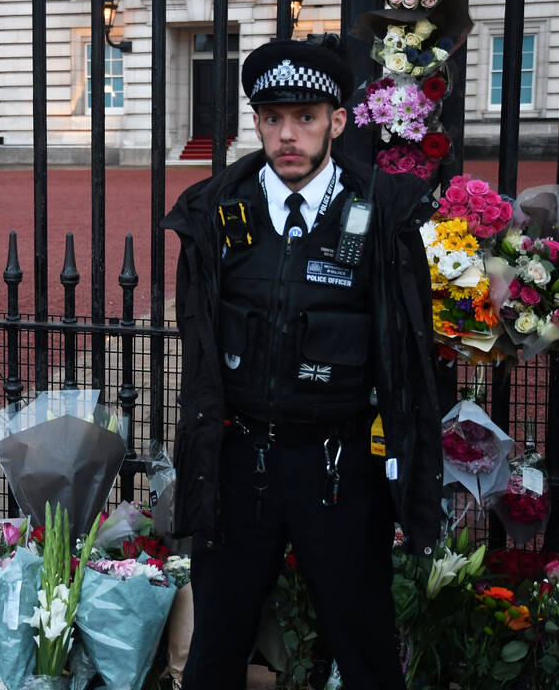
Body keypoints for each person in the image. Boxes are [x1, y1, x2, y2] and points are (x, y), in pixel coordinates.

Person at [163, 37, 442, 690]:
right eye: (273, 118)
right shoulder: (214, 212)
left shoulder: (380, 214)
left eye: (307, 116)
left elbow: (408, 354)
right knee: (215, 651)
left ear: (337, 121)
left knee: (365, 645)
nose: (288, 135)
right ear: (256, 122)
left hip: (338, 469)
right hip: (240, 469)